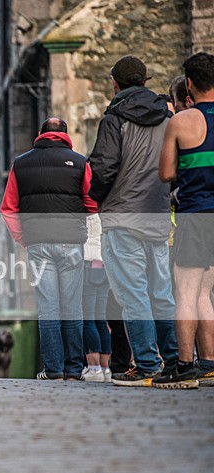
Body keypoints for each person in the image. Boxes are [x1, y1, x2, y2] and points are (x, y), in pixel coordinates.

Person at [89, 55, 178, 387]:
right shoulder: (168, 118)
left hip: (122, 217)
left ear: (115, 83)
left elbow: (103, 168)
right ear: (144, 81)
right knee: (162, 294)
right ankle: (175, 360)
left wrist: (97, 199)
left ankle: (146, 364)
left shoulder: (114, 119)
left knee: (133, 295)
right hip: (157, 215)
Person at [1, 117, 97, 380]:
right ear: (65, 135)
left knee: (48, 307)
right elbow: (92, 203)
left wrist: (24, 238)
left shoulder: (20, 164)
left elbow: (8, 208)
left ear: (40, 134)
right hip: (71, 241)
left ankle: (53, 368)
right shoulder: (80, 162)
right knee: (72, 307)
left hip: (38, 243)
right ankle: (74, 368)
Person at [156, 52, 214, 388]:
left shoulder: (181, 121)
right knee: (206, 292)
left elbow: (166, 173)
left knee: (187, 292)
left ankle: (185, 366)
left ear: (189, 83)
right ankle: (209, 363)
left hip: (194, 213)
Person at [80, 214, 112, 383]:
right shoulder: (105, 208)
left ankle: (94, 368)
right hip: (104, 262)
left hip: (89, 262)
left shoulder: (87, 210)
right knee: (101, 318)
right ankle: (105, 369)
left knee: (88, 319)